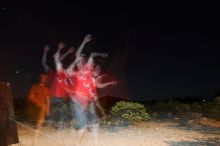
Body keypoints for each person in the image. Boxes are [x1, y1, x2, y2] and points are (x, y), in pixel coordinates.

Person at [26, 74, 50, 144]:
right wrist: (38, 103)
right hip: (34, 108)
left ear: (46, 80)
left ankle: (35, 141)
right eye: (42, 77)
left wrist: (48, 109)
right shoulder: (34, 87)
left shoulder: (46, 89)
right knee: (34, 124)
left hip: (42, 109)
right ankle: (34, 140)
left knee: (38, 124)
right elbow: (31, 97)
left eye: (45, 78)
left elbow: (48, 100)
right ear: (40, 78)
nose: (43, 79)